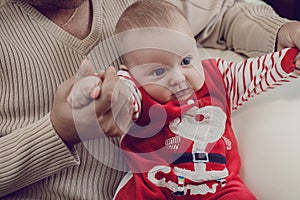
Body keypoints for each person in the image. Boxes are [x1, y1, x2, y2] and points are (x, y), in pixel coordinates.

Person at [1, 0, 300, 199]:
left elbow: (223, 13)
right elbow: (126, 93)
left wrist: (282, 37)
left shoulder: (211, 76)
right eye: (158, 70)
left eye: (185, 61)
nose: (177, 77)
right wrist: (58, 131)